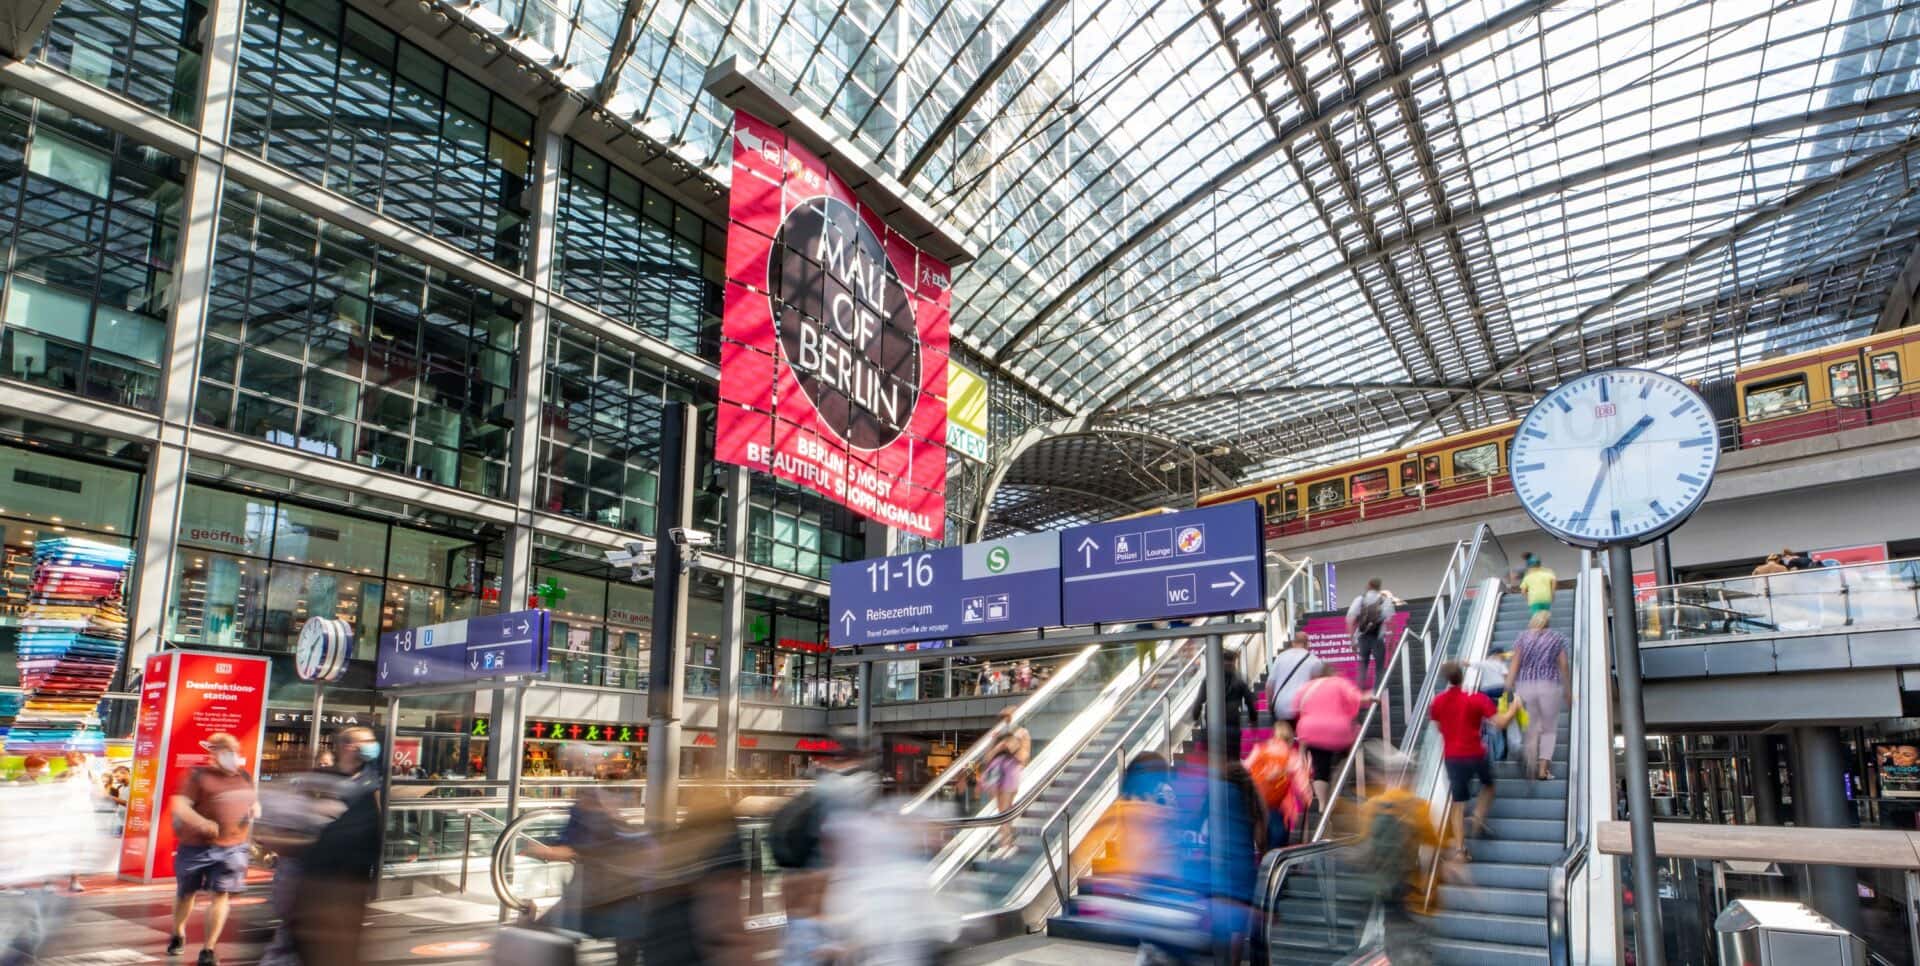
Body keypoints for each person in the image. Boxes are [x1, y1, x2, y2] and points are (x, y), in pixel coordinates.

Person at [521, 776, 646, 966]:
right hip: (606, 894)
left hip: (600, 895)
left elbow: (571, 848)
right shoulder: (599, 820)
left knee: (622, 938)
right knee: (625, 939)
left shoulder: (599, 820)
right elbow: (574, 847)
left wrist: (542, 851)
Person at [288, 726, 383, 966]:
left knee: (347, 942)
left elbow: (377, 823)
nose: (372, 745)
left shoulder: (371, 780)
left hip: (354, 877)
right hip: (319, 876)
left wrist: (373, 868)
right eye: (367, 741)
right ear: (348, 746)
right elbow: (299, 820)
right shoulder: (321, 779)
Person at [168, 732, 259, 965]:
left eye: (234, 750)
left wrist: (255, 810)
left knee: (221, 894)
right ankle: (178, 932)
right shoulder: (197, 776)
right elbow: (179, 804)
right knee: (186, 894)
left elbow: (253, 801)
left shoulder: (245, 776)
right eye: (226, 750)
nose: (232, 754)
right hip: (196, 847)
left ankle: (208, 949)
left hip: (233, 847)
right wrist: (202, 822)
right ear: (214, 752)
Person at [1359, 746, 1445, 965]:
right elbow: (1433, 852)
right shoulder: (1418, 808)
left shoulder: (1372, 806)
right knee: (1418, 947)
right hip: (1414, 894)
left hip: (1387, 891)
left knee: (1395, 944)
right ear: (1409, 777)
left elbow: (1365, 849)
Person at [1429, 662, 1518, 856]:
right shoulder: (1476, 699)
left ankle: (1461, 850)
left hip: (1453, 757)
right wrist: (1514, 708)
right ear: (1462, 678)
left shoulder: (1437, 702)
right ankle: (1478, 817)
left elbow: (1438, 726)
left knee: (1458, 804)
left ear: (1446, 680)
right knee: (1489, 785)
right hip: (1476, 754)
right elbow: (1501, 723)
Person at [1292, 664, 1377, 810]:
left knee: (1320, 768)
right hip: (1338, 731)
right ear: (1332, 673)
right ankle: (1340, 783)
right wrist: (1370, 696)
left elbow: (1296, 706)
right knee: (1351, 754)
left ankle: (1322, 804)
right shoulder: (1338, 682)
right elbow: (1356, 697)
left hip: (1311, 731)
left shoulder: (1307, 687)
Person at [1508, 610, 1572, 781]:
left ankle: (1530, 762)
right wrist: (1568, 690)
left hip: (1525, 685)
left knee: (1532, 726)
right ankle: (1543, 769)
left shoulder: (1522, 638)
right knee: (1549, 728)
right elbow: (1564, 666)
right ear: (1547, 623)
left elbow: (1515, 663)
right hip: (1548, 685)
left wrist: (1509, 685)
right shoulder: (1556, 638)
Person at [1243, 728, 1312, 850]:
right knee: (1278, 834)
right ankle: (1276, 861)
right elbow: (1301, 782)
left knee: (1259, 830)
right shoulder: (1291, 755)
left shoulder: (1260, 749)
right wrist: (1307, 797)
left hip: (1256, 801)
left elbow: (1246, 768)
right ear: (1290, 740)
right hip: (1274, 803)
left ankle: (1262, 852)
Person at [1192, 651, 1259, 758]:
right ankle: (1232, 771)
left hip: (1214, 722)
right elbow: (1250, 700)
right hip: (1232, 722)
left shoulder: (1209, 679)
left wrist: (1195, 715)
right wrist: (1253, 719)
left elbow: (1199, 700)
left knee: (1215, 755)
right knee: (1233, 754)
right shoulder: (1239, 679)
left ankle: (1218, 772)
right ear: (1234, 662)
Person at [983, 707, 1031, 854]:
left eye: (1008, 717)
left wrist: (1011, 745)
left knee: (1005, 808)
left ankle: (1006, 842)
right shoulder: (999, 734)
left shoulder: (1022, 733)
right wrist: (996, 745)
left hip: (1011, 772)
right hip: (996, 773)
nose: (1006, 720)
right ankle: (1006, 841)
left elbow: (1023, 758)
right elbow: (987, 758)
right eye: (1004, 718)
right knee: (1001, 809)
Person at [1265, 631, 1326, 734]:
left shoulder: (1280, 657)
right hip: (1302, 708)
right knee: (1303, 738)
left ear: (1293, 643)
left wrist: (1269, 704)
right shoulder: (1314, 661)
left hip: (1281, 707)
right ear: (1308, 644)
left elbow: (1269, 685)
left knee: (1283, 739)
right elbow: (1318, 688)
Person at [1345, 578, 1397, 688]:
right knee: (1379, 667)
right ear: (1379, 587)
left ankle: (1360, 693)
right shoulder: (1385, 601)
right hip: (1378, 637)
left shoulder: (1360, 599)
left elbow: (1350, 620)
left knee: (1363, 665)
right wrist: (1391, 641)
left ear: (1369, 585)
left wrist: (1352, 640)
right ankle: (1377, 693)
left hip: (1362, 637)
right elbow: (1391, 623)